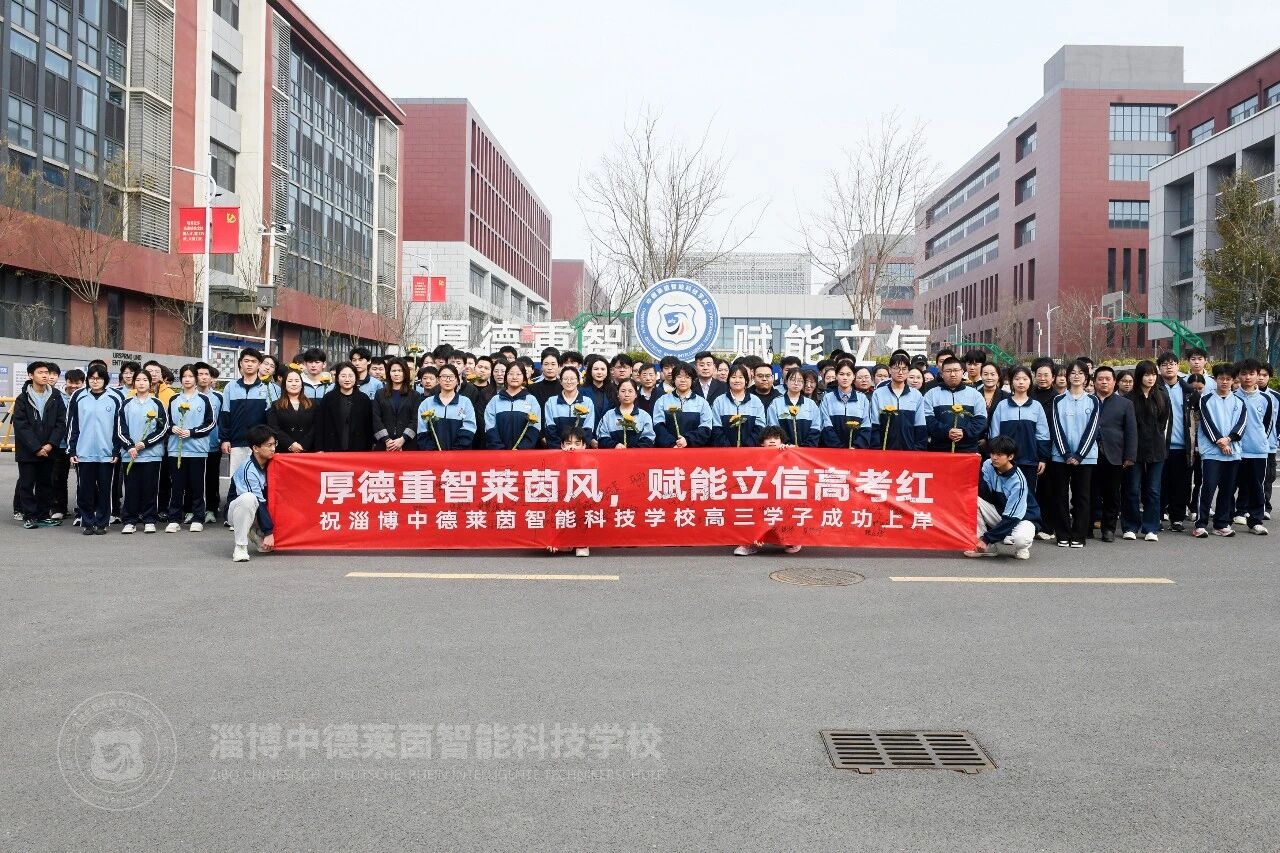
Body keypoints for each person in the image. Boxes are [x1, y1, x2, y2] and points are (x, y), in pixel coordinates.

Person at [1048, 360, 1099, 548]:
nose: (1076, 376)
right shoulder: (1058, 400)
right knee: (1060, 496)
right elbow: (1056, 427)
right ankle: (1062, 534)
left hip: (1086, 458)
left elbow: (1093, 429)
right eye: (1073, 372)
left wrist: (1079, 455)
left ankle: (1079, 535)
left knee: (1082, 497)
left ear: (1086, 377)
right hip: (1060, 456)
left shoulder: (1093, 400)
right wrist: (1066, 453)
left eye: (1081, 373)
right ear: (1067, 376)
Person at [13, 361, 68, 528]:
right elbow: (21, 426)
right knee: (27, 484)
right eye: (40, 372)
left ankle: (43, 514)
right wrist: (36, 447)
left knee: (46, 484)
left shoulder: (56, 396)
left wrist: (50, 444)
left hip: (49, 450)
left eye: (46, 372)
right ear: (31, 375)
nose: (45, 375)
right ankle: (29, 516)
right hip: (28, 451)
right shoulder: (22, 398)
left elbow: (61, 422)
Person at [1194, 363, 1246, 538]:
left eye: (1228, 379)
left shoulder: (1239, 402)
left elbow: (1241, 425)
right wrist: (1220, 442)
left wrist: (1229, 439)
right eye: (1221, 378)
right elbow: (1207, 423)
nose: (1224, 382)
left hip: (1233, 452)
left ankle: (1221, 524)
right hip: (1211, 452)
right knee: (1207, 487)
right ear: (1215, 379)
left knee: (1228, 490)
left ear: (1233, 380)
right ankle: (1200, 524)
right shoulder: (1205, 399)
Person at [966, 435, 1039, 560]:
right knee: (972, 500)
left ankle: (1022, 548)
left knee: (1021, 540)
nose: (994, 457)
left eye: (999, 455)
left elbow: (1012, 517)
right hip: (1001, 513)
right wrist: (977, 468)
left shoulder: (1018, 481)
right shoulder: (988, 464)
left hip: (1023, 519)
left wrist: (987, 539)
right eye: (993, 453)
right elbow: (984, 493)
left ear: (1010, 457)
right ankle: (986, 547)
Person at [67, 364, 120, 535]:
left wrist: (116, 450)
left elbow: (119, 427)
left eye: (99, 378)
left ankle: (102, 523)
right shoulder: (79, 396)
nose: (95, 381)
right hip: (84, 453)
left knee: (105, 490)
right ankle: (87, 522)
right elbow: (72, 425)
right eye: (92, 378)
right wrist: (72, 450)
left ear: (105, 380)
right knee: (85, 490)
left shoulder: (115, 397)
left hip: (107, 454)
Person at [733, 426, 802, 557]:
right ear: (761, 443)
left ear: (782, 441)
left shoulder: (787, 452)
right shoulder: (754, 455)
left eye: (776, 438)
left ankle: (792, 540)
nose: (772, 441)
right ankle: (749, 544)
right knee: (749, 513)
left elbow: (801, 458)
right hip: (760, 496)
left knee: (787, 513)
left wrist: (792, 449)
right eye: (768, 438)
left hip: (781, 496)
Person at [162, 365, 215, 533]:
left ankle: (198, 517)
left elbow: (210, 423)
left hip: (197, 450)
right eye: (184, 376)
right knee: (177, 486)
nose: (187, 379)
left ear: (195, 379)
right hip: (175, 450)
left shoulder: (204, 399)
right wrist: (172, 428)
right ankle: (174, 518)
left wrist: (192, 432)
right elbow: (166, 423)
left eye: (190, 376)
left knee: (197, 486)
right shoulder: (174, 399)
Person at [220, 349, 272, 518]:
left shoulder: (267, 388)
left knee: (260, 479)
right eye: (246, 361)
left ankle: (259, 516)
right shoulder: (231, 387)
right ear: (240, 363)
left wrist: (269, 443)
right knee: (236, 478)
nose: (249, 364)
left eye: (254, 361)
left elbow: (271, 418)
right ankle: (233, 515)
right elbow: (225, 414)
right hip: (237, 441)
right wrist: (225, 439)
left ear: (259, 365)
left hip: (259, 445)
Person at [117, 370, 169, 534]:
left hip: (151, 456)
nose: (141, 383)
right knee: (131, 489)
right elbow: (120, 429)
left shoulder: (157, 403)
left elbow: (163, 429)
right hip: (130, 455)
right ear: (133, 383)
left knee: (150, 489)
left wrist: (144, 444)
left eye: (145, 380)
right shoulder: (126, 404)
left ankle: (149, 519)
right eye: (138, 380)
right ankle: (130, 520)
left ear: (150, 383)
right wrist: (130, 446)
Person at [1124, 360, 1169, 541]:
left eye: (1153, 374)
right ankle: (1130, 526)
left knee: (1153, 490)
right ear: (1139, 376)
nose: (1151, 378)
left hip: (1156, 449)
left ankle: (1151, 528)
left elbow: (1163, 422)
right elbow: (1127, 426)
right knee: (1132, 489)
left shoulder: (1162, 396)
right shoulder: (1129, 398)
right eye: (1146, 375)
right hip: (1134, 450)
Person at [1092, 365, 1137, 542]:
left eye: (1107, 379)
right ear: (1094, 382)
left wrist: (1130, 456)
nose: (1104, 382)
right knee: (1090, 492)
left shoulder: (1125, 404)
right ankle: (1087, 525)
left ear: (1114, 382)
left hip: (1115, 454)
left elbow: (1131, 431)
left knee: (1112, 494)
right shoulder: (1088, 401)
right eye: (1100, 379)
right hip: (1089, 454)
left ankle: (1108, 528)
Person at [988, 366, 1050, 493]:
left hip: (1030, 461)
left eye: (1025, 379)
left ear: (1030, 382)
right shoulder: (1002, 406)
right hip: (1006, 462)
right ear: (1011, 382)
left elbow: (1043, 435)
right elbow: (994, 434)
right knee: (1005, 494)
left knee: (1028, 494)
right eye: (1017, 379)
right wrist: (997, 456)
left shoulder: (1036, 406)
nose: (1021, 382)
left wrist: (1043, 458)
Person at [1232, 358, 1272, 535]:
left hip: (1257, 451)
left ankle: (1255, 520)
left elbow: (1267, 424)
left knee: (1256, 486)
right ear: (1238, 376)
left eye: (1251, 374)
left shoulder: (1266, 399)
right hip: (1235, 450)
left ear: (1257, 375)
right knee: (1230, 485)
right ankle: (1227, 518)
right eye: (1244, 374)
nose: (1247, 377)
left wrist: (1260, 440)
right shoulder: (1232, 396)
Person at [1157, 352, 1194, 532]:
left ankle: (1177, 518)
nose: (1169, 367)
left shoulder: (1189, 390)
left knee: (1181, 485)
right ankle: (1156, 516)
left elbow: (1196, 419)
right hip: (1159, 446)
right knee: (1158, 484)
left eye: (1172, 363)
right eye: (1164, 364)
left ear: (1179, 366)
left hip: (1183, 446)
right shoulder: (1155, 389)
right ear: (1159, 368)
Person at [229, 424, 277, 563]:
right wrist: (269, 532)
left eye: (274, 444)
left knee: (267, 548)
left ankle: (255, 532)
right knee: (249, 499)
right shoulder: (248, 469)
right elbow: (259, 502)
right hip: (237, 510)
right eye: (269, 445)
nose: (273, 449)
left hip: (258, 510)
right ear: (255, 448)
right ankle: (240, 546)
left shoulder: (273, 462)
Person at [921, 357, 988, 453]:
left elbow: (981, 420)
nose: (952, 374)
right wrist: (946, 431)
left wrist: (964, 432)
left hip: (968, 448)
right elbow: (927, 419)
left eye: (956, 370)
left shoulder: (975, 394)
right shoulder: (931, 394)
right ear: (941, 374)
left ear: (962, 372)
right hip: (939, 448)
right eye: (948, 371)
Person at [547, 428, 592, 558]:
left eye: (577, 444)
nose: (572, 447)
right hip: (562, 502)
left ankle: (582, 543)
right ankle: (557, 540)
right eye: (568, 443)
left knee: (585, 505)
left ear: (584, 446)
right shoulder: (555, 462)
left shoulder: (592, 461)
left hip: (582, 503)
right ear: (562, 445)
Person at [313, 362, 375, 452]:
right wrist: (319, 448)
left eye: (350, 376)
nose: (347, 379)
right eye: (343, 376)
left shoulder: (364, 399)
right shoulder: (328, 398)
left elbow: (369, 427)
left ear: (356, 378)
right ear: (337, 378)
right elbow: (320, 425)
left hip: (358, 449)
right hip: (332, 448)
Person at [869, 353, 924, 451]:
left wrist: (918, 450)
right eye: (896, 368)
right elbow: (874, 424)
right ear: (890, 370)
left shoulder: (916, 395)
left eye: (904, 369)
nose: (900, 372)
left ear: (908, 371)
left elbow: (920, 426)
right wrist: (877, 449)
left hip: (909, 451)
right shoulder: (878, 394)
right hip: (884, 451)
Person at [416, 365, 477, 451]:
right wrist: (432, 451)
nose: (448, 380)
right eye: (444, 376)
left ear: (457, 380)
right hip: (432, 455)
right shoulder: (427, 403)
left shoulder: (465, 402)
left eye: (451, 377)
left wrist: (455, 451)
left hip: (459, 454)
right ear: (438, 380)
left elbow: (469, 428)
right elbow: (422, 431)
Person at [654, 363, 714, 448]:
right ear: (674, 379)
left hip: (694, 450)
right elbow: (658, 427)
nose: (683, 380)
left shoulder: (702, 403)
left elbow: (706, 428)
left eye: (687, 377)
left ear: (693, 380)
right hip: (669, 450)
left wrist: (687, 440)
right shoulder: (662, 401)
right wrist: (672, 444)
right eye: (679, 377)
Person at [485, 361, 542, 450]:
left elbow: (535, 428)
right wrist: (499, 448)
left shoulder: (531, 400)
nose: (514, 377)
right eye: (511, 374)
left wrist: (522, 448)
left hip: (523, 453)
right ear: (506, 376)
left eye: (518, 374)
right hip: (499, 453)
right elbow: (490, 427)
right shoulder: (495, 400)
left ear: (524, 377)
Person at [819, 360, 873, 449]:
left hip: (856, 452)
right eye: (841, 374)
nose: (845, 378)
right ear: (836, 376)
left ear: (854, 376)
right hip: (832, 450)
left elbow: (866, 425)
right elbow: (825, 425)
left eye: (848, 374)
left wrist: (856, 447)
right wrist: (838, 447)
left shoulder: (862, 399)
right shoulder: (827, 398)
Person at [372, 357, 422, 451]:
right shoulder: (380, 394)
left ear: (405, 372)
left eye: (400, 371)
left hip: (407, 444)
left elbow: (416, 420)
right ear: (388, 373)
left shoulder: (415, 395)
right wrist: (387, 440)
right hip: (384, 445)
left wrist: (403, 439)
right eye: (393, 371)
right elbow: (376, 419)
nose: (396, 374)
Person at [767, 368, 826, 447]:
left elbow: (816, 428)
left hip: (807, 450)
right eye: (792, 380)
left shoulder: (811, 404)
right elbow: (773, 428)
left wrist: (805, 447)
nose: (796, 383)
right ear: (786, 381)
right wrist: (787, 445)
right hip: (783, 449)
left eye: (800, 380)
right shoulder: (776, 403)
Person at [51, 367, 81, 521]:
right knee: (58, 477)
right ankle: (59, 508)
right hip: (61, 445)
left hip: (80, 446)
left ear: (83, 383)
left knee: (84, 479)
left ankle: (83, 509)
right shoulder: (57, 396)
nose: (73, 386)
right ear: (66, 381)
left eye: (77, 383)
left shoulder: (85, 396)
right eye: (71, 382)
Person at [196, 363, 224, 525]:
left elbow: (223, 420)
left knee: (212, 478)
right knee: (194, 479)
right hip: (193, 446)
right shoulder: (189, 396)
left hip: (213, 445)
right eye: (200, 374)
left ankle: (211, 509)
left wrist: (222, 439)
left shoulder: (219, 397)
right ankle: (193, 509)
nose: (204, 377)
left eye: (206, 374)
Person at [711, 364, 766, 447]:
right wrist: (728, 448)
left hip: (750, 451)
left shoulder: (755, 401)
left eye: (741, 377)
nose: (737, 380)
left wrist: (747, 447)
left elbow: (760, 427)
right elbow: (716, 428)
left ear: (746, 380)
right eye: (733, 377)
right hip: (725, 450)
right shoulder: (719, 401)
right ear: (728, 380)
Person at [543, 365, 595, 448]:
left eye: (572, 378)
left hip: (580, 451)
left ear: (578, 381)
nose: (569, 381)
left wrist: (578, 447)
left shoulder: (587, 402)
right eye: (565, 379)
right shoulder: (551, 402)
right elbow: (550, 429)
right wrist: (561, 448)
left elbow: (588, 429)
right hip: (558, 451)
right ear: (561, 381)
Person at [267, 367, 316, 453]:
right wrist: (290, 444)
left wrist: (303, 445)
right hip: (285, 450)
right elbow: (274, 428)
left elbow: (316, 427)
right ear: (284, 384)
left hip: (308, 450)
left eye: (297, 381)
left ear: (301, 385)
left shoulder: (312, 404)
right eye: (290, 381)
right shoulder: (276, 405)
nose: (294, 384)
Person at [597, 379, 656, 448]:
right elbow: (601, 437)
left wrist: (634, 450)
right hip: (614, 453)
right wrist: (615, 445)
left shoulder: (644, 416)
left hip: (637, 454)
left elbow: (649, 438)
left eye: (630, 391)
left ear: (636, 394)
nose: (626, 394)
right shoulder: (608, 415)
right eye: (623, 391)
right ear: (617, 394)